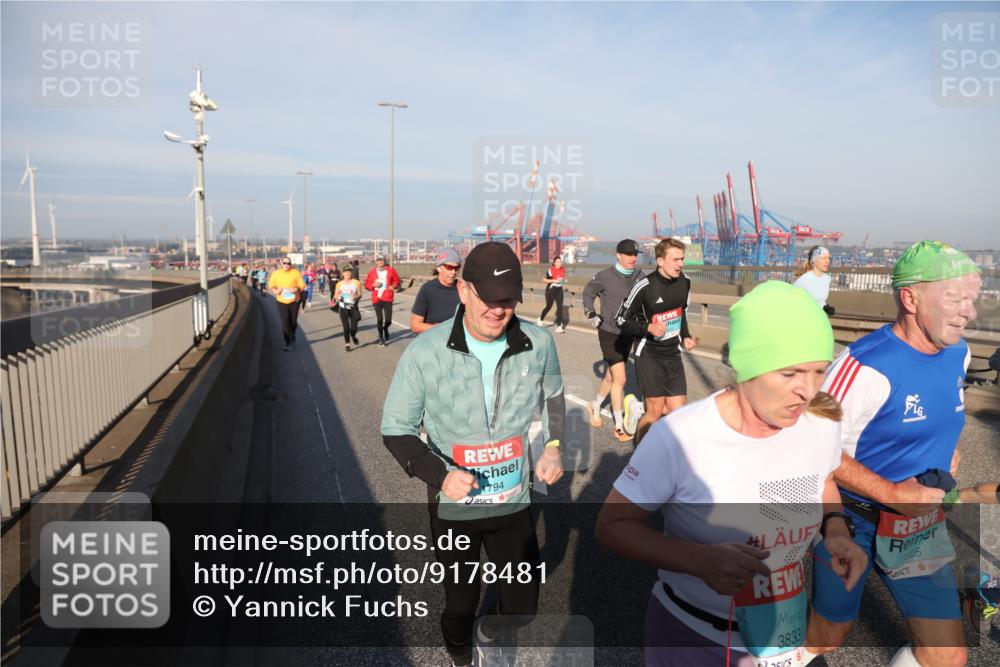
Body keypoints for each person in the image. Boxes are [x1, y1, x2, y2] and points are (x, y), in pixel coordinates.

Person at [597, 281, 867, 667]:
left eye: (819, 371)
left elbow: (823, 479)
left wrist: (836, 530)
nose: (807, 391)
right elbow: (612, 526)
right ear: (748, 366)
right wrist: (698, 560)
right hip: (694, 637)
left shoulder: (820, 423)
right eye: (790, 373)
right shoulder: (681, 435)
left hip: (784, 635)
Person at [381, 241, 565, 667]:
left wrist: (553, 448)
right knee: (461, 603)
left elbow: (554, 399)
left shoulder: (537, 343)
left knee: (523, 607)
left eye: (509, 300)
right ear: (464, 290)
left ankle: (492, 632)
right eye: (488, 299)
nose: (499, 310)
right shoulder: (425, 352)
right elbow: (396, 429)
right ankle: (460, 651)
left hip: (513, 499)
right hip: (454, 501)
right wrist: (440, 474)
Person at [806, 241, 982, 667]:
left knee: (947, 656)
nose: (969, 312)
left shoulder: (959, 352)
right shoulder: (864, 366)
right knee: (827, 637)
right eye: (955, 299)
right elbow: (811, 445)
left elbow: (937, 412)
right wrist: (890, 490)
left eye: (973, 299)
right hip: (851, 520)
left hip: (918, 527)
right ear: (910, 297)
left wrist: (944, 452)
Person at [616, 237, 696, 445]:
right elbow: (620, 319)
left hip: (672, 353)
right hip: (649, 353)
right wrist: (647, 327)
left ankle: (669, 459)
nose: (680, 264)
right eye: (675, 260)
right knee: (655, 410)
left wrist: (685, 336)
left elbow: (681, 314)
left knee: (679, 412)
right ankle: (640, 459)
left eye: (682, 259)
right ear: (660, 261)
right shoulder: (644, 286)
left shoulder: (685, 282)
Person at [582, 239, 646, 442]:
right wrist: (591, 313)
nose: (633, 258)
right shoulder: (604, 276)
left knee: (610, 377)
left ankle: (595, 405)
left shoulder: (639, 276)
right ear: (618, 255)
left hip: (628, 332)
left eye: (635, 254)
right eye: (628, 254)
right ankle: (620, 425)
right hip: (609, 332)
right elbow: (587, 293)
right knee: (621, 379)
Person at [410, 247, 461, 333]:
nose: (453, 272)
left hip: (457, 343)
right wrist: (439, 328)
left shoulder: (463, 289)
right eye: (449, 267)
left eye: (457, 268)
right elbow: (415, 325)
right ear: (439, 268)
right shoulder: (427, 290)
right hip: (433, 343)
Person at [267, 256, 306, 351]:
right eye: (284, 263)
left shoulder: (295, 272)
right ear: (281, 263)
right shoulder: (276, 273)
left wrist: (296, 289)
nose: (286, 265)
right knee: (285, 322)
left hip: (294, 301)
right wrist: (274, 290)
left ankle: (292, 335)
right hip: (281, 301)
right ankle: (287, 341)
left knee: (293, 322)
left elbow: (302, 284)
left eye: (288, 263)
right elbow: (271, 284)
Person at [365, 256, 401, 346]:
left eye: (382, 260)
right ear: (376, 262)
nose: (380, 262)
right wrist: (373, 284)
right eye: (378, 260)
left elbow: (397, 280)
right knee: (380, 319)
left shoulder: (390, 270)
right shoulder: (372, 272)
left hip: (387, 297)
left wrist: (394, 286)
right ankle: (381, 338)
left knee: (388, 320)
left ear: (384, 262)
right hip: (377, 298)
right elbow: (367, 284)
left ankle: (385, 328)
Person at [794, 246, 835, 316]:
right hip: (805, 319)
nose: (827, 261)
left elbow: (819, 301)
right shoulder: (802, 281)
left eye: (828, 258)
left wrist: (826, 307)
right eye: (824, 258)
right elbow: (793, 302)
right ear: (813, 261)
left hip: (819, 319)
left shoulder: (827, 279)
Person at [333, 266, 362, 351]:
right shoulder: (339, 284)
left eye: (349, 271)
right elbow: (335, 295)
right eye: (346, 272)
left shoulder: (356, 282)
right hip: (343, 308)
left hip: (353, 308)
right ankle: (347, 345)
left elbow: (360, 294)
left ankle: (353, 335)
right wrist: (338, 297)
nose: (348, 273)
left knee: (353, 328)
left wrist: (355, 296)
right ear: (343, 274)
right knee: (346, 327)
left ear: (351, 273)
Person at [536, 256, 567, 333]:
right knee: (549, 306)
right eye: (558, 262)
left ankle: (559, 327)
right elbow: (544, 279)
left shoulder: (563, 269)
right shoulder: (551, 270)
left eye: (560, 261)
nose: (559, 263)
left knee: (560, 308)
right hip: (551, 290)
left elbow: (561, 280)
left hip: (559, 290)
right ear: (554, 263)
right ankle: (540, 319)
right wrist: (554, 280)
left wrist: (564, 281)